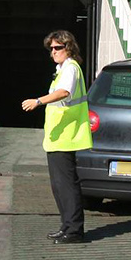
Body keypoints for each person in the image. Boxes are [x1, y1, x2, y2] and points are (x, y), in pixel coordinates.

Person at [21, 30, 92, 244]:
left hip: (67, 135)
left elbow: (64, 93)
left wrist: (38, 101)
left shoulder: (70, 68)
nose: (53, 52)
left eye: (58, 48)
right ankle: (66, 226)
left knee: (67, 184)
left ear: (68, 47)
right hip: (58, 136)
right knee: (59, 185)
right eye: (51, 48)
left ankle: (74, 231)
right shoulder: (61, 70)